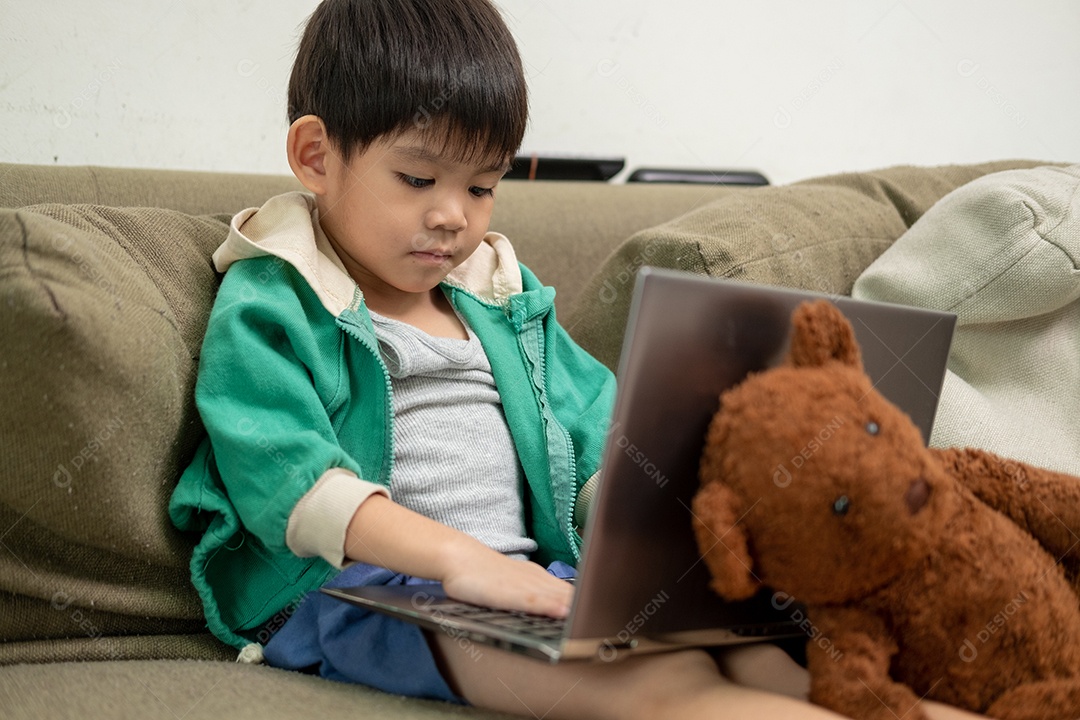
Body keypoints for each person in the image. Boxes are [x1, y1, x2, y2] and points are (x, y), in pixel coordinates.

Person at [170, 1, 987, 717]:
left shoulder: (495, 293)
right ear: (316, 157)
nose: (453, 216)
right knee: (655, 692)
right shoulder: (274, 300)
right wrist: (466, 563)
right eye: (418, 178)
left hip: (533, 574)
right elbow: (291, 484)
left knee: (766, 653)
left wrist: (665, 541)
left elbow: (600, 439)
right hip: (357, 594)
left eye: (483, 186)